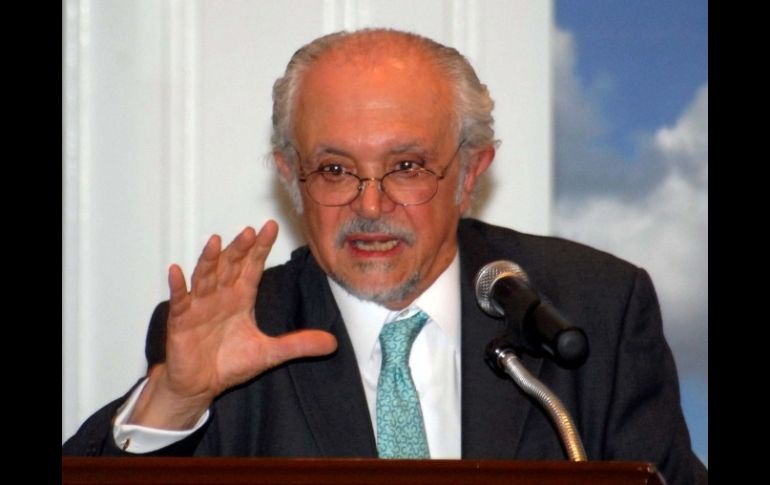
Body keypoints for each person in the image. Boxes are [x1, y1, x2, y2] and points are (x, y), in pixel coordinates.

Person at [63, 28, 707, 484]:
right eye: (335, 169)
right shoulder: (235, 332)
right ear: (291, 176)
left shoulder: (591, 308)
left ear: (470, 172)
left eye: (406, 166)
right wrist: (173, 402)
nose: (370, 205)